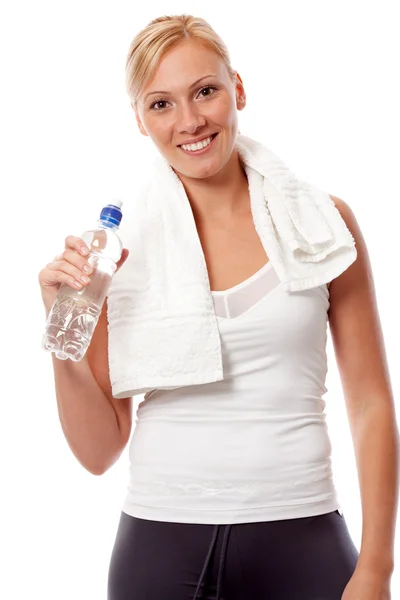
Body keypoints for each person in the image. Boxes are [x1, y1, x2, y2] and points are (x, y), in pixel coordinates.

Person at [38, 14, 398, 600]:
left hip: (303, 534)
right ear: (139, 120)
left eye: (205, 91)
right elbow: (98, 453)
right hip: (159, 546)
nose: (189, 121)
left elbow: (371, 403)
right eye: (161, 104)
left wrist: (377, 568)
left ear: (238, 89)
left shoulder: (322, 225)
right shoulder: (117, 251)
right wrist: (63, 337)